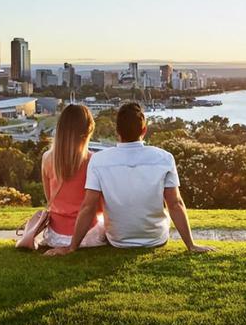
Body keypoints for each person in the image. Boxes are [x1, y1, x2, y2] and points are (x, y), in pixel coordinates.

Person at [45, 102, 214, 256]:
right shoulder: (164, 158)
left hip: (117, 240)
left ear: (117, 131)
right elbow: (175, 204)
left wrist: (72, 247)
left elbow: (88, 206)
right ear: (144, 130)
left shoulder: (99, 160)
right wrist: (191, 245)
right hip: (155, 238)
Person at [41, 104, 106, 252]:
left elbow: (49, 198)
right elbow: (99, 207)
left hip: (55, 235)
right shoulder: (93, 161)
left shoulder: (47, 158)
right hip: (86, 235)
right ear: (88, 131)